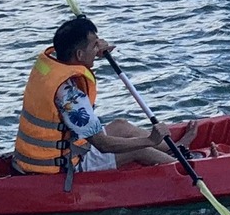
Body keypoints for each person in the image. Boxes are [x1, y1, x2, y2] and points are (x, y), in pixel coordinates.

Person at [13, 15, 197, 178]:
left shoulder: (50, 64)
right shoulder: (70, 96)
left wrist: (93, 49)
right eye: (95, 45)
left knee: (121, 126)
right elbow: (103, 145)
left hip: (49, 153)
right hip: (62, 167)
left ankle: (177, 149)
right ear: (79, 54)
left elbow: (74, 50)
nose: (99, 47)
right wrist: (149, 140)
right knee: (142, 150)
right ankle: (185, 170)